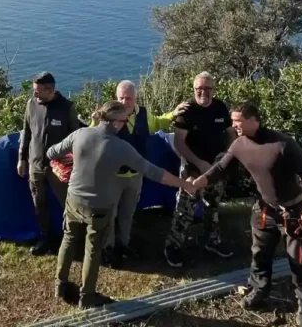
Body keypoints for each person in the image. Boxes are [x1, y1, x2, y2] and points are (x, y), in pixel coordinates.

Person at [47, 101, 205, 309]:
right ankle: (87, 296)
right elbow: (154, 172)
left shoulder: (80, 134)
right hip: (99, 207)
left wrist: (75, 160)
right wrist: (186, 185)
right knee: (93, 250)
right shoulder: (121, 148)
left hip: (74, 200)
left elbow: (52, 152)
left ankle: (60, 285)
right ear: (114, 122)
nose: (125, 124)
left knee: (68, 240)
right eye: (124, 121)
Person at [196, 101, 302, 327]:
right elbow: (221, 167)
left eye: (238, 121)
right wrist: (200, 181)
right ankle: (260, 289)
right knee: (260, 254)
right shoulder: (239, 144)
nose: (233, 126)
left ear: (254, 120)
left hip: (293, 211)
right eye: (232, 121)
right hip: (264, 209)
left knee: (299, 259)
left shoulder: (282, 143)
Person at [89, 80, 188, 267]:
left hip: (135, 176)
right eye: (121, 98)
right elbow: (92, 137)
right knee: (109, 215)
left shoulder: (143, 113)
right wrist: (95, 120)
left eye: (129, 98)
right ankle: (108, 249)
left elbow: (157, 122)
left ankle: (124, 245)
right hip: (111, 176)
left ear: (136, 98)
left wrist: (173, 114)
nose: (124, 102)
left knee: (127, 213)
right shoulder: (108, 115)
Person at [164, 71, 237, 268]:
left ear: (214, 89)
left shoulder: (220, 107)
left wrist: (226, 155)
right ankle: (173, 245)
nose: (203, 92)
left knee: (213, 205)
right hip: (192, 169)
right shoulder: (187, 110)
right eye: (199, 88)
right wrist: (199, 163)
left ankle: (212, 240)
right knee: (185, 208)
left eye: (207, 88)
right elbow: (179, 143)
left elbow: (231, 133)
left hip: (216, 167)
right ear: (194, 89)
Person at [18, 72, 80, 256]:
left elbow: (77, 137)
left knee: (68, 204)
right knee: (39, 203)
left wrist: (73, 158)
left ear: (50, 90)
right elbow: (26, 132)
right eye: (34, 90)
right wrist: (22, 158)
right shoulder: (31, 104)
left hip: (59, 167)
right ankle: (46, 238)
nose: (34, 94)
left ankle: (73, 240)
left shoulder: (66, 107)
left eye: (38, 91)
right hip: (35, 163)